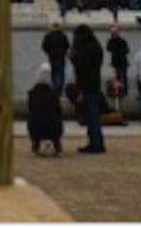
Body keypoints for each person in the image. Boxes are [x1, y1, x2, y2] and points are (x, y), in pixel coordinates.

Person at [69, 24, 105, 154]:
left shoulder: (85, 49)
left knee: (91, 115)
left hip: (87, 84)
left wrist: (72, 58)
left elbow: (81, 66)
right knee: (93, 115)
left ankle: (95, 143)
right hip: (94, 82)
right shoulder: (96, 47)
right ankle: (97, 141)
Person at [27, 62, 64, 156]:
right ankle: (57, 147)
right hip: (53, 127)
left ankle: (35, 147)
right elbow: (58, 110)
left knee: (34, 119)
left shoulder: (32, 93)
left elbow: (31, 109)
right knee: (54, 120)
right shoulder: (54, 93)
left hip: (36, 127)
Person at [40, 22, 70, 93]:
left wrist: (49, 52)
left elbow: (44, 46)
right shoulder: (63, 36)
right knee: (60, 72)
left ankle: (54, 87)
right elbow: (67, 46)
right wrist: (64, 52)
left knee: (54, 72)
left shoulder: (48, 36)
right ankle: (59, 88)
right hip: (61, 57)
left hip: (52, 57)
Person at [107, 27, 131, 100]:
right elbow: (108, 48)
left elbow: (127, 50)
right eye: (112, 33)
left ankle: (125, 91)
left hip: (122, 61)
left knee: (124, 76)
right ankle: (118, 91)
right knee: (117, 77)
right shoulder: (111, 41)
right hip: (115, 62)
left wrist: (120, 52)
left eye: (114, 33)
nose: (113, 34)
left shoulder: (122, 41)